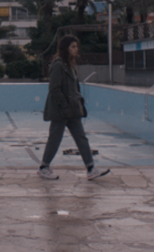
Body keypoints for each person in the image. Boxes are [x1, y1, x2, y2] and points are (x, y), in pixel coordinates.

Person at [38, 34, 109, 181]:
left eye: (77, 46)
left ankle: (91, 168)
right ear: (66, 48)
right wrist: (64, 106)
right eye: (73, 46)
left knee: (81, 138)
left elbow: (73, 89)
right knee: (55, 139)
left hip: (72, 110)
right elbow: (54, 89)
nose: (76, 49)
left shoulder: (70, 65)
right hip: (61, 111)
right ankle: (44, 167)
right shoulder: (58, 65)